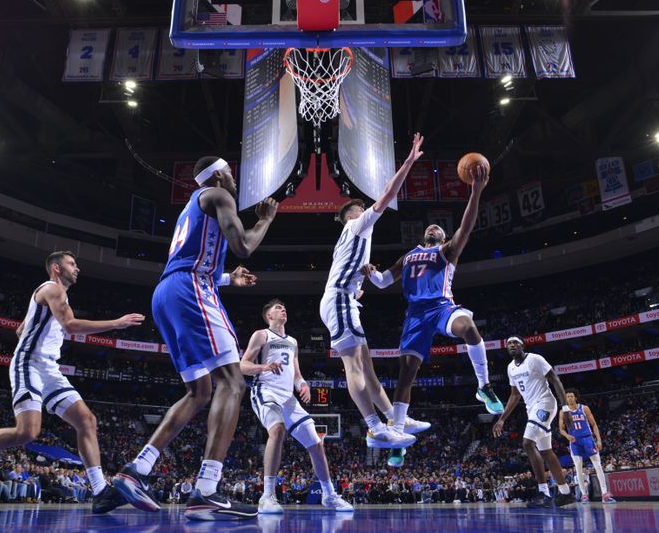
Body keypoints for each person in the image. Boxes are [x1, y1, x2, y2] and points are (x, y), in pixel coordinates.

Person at [112, 156, 278, 521]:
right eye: (231, 173)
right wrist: (265, 219)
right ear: (218, 176)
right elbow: (245, 247)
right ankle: (206, 489)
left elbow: (193, 258)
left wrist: (226, 279)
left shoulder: (191, 207)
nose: (234, 178)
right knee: (233, 382)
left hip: (167, 293)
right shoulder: (219, 193)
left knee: (200, 391)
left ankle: (136, 469)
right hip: (191, 290)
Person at [0, 251, 144, 513]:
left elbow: (21, 329)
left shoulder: (58, 296)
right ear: (56, 268)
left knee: (87, 421)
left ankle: (100, 492)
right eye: (72, 264)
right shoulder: (52, 289)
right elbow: (72, 326)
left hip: (49, 368)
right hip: (29, 363)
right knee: (27, 432)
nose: (78, 269)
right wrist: (117, 323)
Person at [361, 163, 503, 466]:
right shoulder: (409, 254)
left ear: (442, 236)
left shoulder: (448, 251)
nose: (432, 228)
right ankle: (397, 435)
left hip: (441, 308)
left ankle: (484, 386)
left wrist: (475, 192)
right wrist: (372, 273)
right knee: (406, 374)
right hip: (415, 315)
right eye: (430, 228)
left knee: (469, 328)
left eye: (437, 228)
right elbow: (385, 281)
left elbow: (466, 226)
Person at [319, 133, 427, 450]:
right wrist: (408, 161)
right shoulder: (355, 225)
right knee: (354, 366)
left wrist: (359, 289)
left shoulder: (355, 239)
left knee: (367, 368)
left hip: (343, 300)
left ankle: (397, 420)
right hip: (339, 301)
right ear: (351, 214)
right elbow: (386, 194)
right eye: (360, 207)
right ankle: (374, 427)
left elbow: (364, 277)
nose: (366, 208)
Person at [240, 299, 353, 514]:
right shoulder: (262, 335)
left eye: (284, 306)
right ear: (269, 316)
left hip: (288, 398)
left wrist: (303, 385)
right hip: (265, 390)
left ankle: (329, 495)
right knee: (277, 429)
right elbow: (242, 365)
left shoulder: (292, 341)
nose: (283, 308)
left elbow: (297, 374)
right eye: (277, 307)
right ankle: (268, 496)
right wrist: (264, 366)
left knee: (316, 443)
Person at [492, 337, 576, 508]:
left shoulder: (535, 359)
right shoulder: (510, 368)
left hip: (545, 403)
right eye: (509, 343)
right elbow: (515, 395)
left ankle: (544, 492)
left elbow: (555, 380)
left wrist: (565, 409)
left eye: (516, 343)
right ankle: (566, 493)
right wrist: (501, 419)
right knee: (546, 452)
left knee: (527, 443)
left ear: (522, 346)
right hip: (532, 409)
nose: (512, 345)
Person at [558, 388, 616, 504]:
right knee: (578, 468)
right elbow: (561, 429)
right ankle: (584, 495)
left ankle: (604, 494)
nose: (569, 398)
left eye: (571, 396)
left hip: (587, 438)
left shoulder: (584, 408)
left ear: (575, 397)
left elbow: (594, 424)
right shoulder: (563, 411)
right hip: (574, 441)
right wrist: (566, 436)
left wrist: (598, 440)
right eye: (567, 397)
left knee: (598, 466)